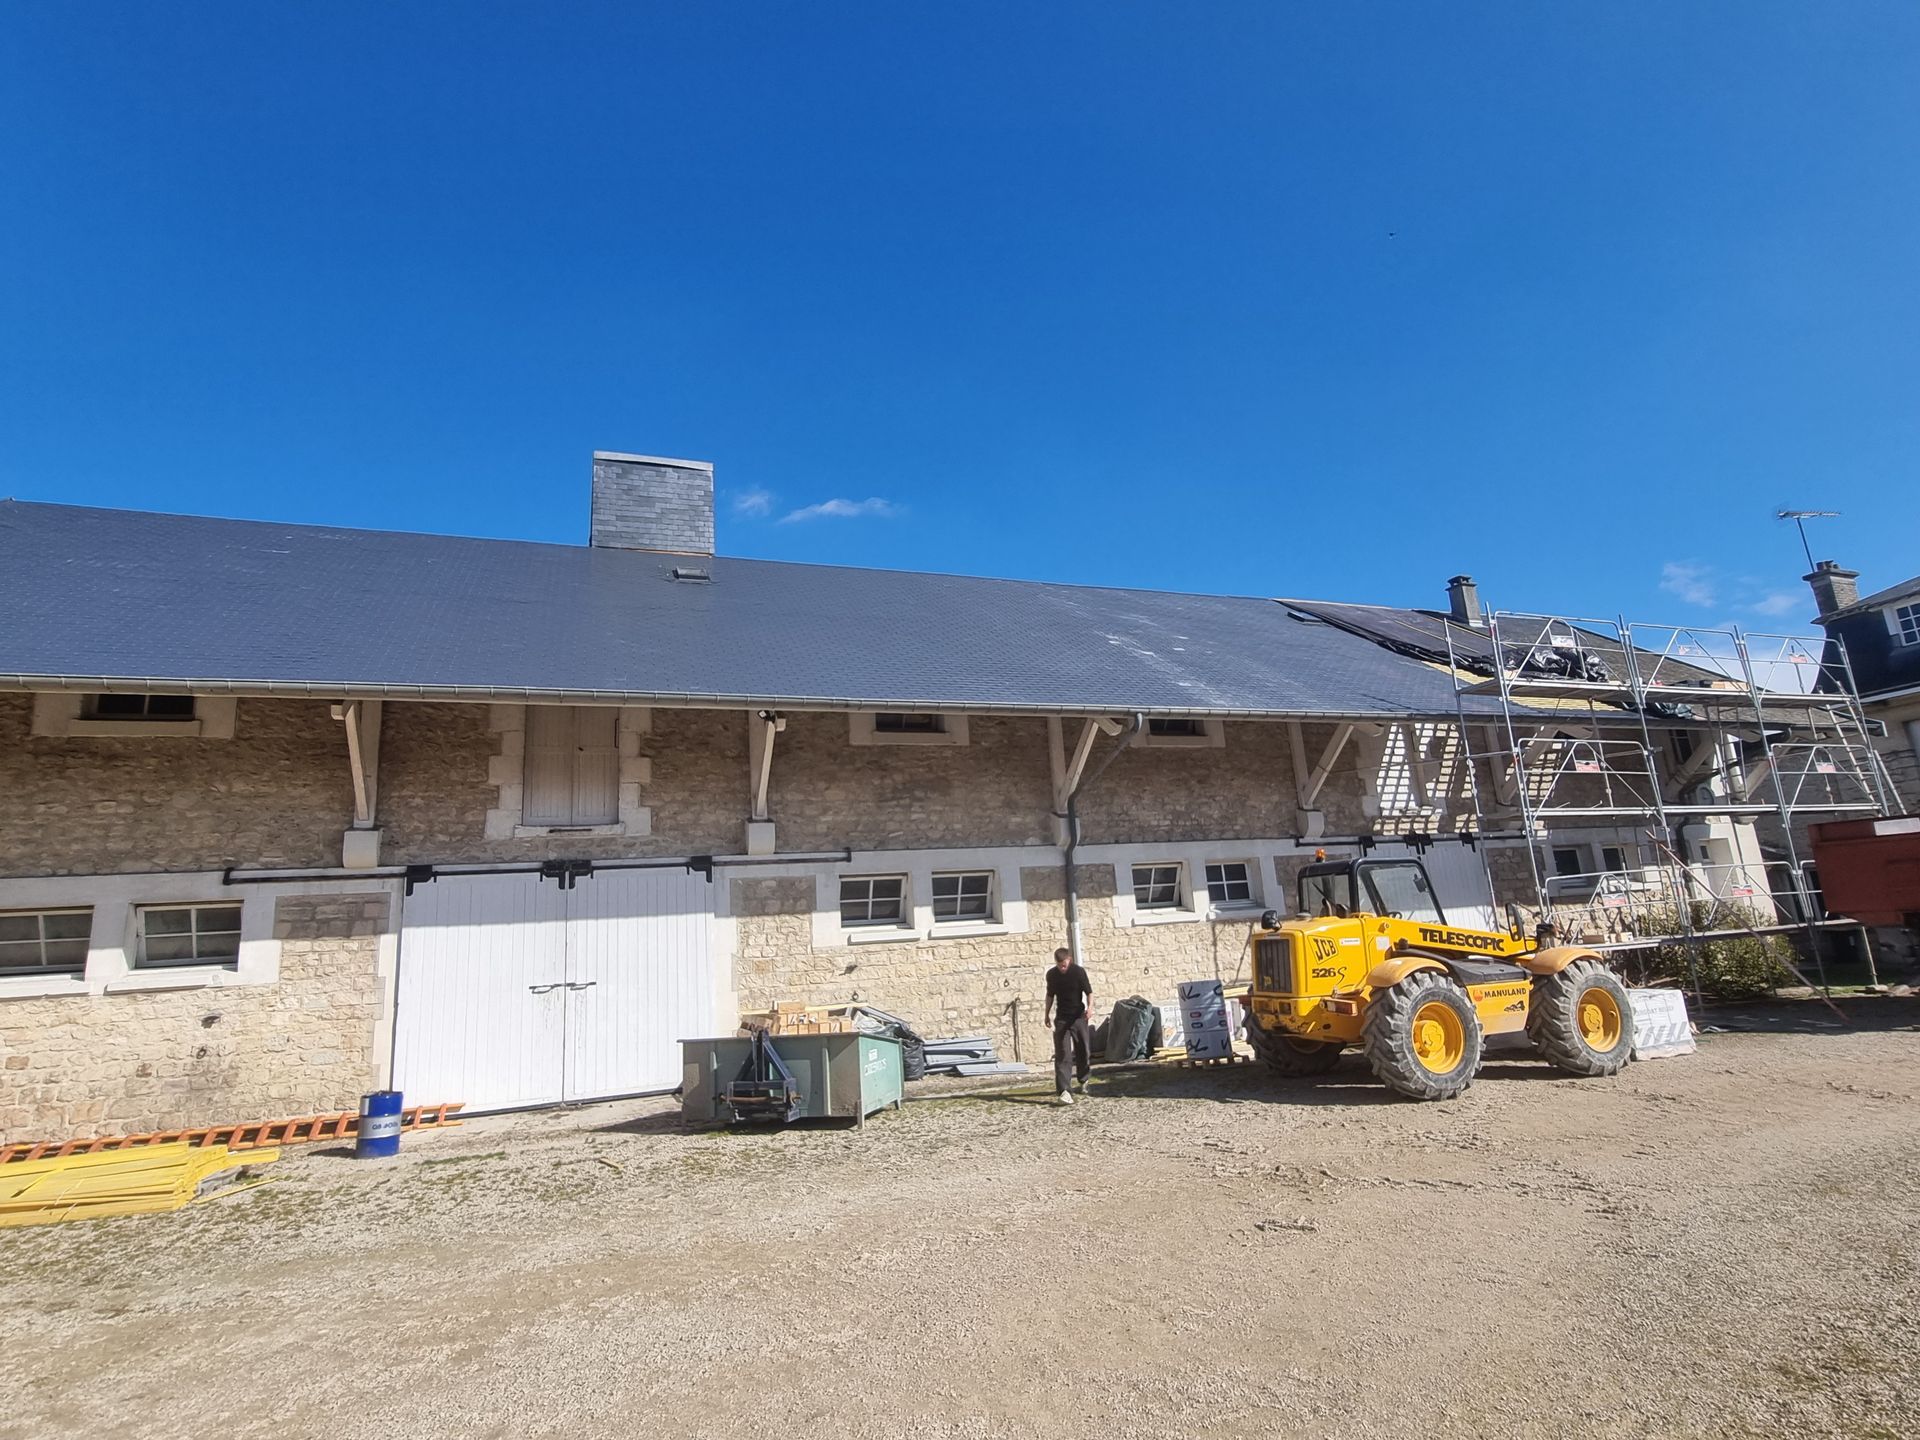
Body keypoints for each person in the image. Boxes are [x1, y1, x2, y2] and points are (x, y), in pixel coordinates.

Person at [1043, 946, 1093, 1104]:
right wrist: (1046, 1014)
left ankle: (1084, 1080)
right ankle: (1064, 1090)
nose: (1062, 968)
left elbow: (1089, 992)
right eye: (1059, 965)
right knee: (1063, 1053)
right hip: (1062, 1018)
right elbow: (1050, 995)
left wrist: (1090, 1008)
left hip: (1078, 1017)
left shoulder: (1078, 972)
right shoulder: (1052, 975)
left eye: (1064, 965)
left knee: (1083, 1050)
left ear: (1069, 960)